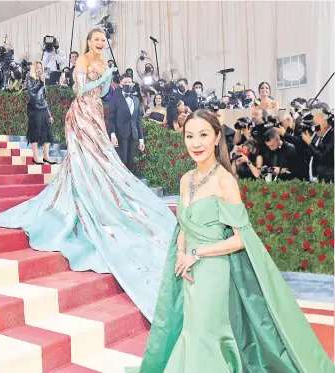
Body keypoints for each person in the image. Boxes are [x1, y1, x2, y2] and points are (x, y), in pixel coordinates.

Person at [126, 109, 334, 373]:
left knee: (205, 335)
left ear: (216, 138)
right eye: (190, 136)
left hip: (213, 270)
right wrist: (181, 252)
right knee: (190, 332)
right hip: (186, 269)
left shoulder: (225, 181)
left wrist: (196, 253)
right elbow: (182, 226)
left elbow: (239, 239)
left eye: (203, 135)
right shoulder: (185, 180)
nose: (196, 143)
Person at [0, 28, 176, 322]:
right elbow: (79, 91)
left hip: (96, 113)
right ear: (88, 41)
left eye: (104, 40)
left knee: (100, 160)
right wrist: (100, 77)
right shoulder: (83, 62)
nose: (101, 44)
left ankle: (100, 194)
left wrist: (105, 79)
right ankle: (82, 199)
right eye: (97, 40)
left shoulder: (104, 62)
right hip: (80, 114)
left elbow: (103, 94)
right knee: (82, 160)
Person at [107, 73, 145, 172]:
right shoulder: (115, 99)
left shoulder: (136, 100)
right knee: (121, 162)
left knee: (130, 163)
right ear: (120, 84)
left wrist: (141, 139)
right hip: (120, 135)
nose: (127, 84)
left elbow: (138, 120)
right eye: (125, 82)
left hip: (133, 135)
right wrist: (112, 134)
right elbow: (111, 118)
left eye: (129, 82)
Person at [26, 61, 55, 165]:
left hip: (43, 108)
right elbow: (32, 93)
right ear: (34, 69)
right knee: (36, 131)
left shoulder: (42, 82)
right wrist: (40, 82)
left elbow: (44, 98)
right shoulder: (30, 79)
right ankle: (35, 157)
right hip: (34, 109)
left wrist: (49, 114)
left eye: (40, 68)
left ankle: (46, 156)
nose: (39, 69)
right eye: (37, 68)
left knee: (47, 132)